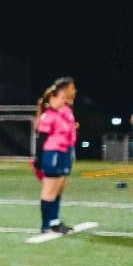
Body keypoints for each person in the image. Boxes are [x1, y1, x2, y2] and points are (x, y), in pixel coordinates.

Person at [33, 77, 79, 233]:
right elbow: (41, 140)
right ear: (52, 98)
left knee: (58, 189)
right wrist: (38, 160)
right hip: (52, 154)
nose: (63, 100)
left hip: (62, 152)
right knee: (49, 191)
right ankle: (46, 225)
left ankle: (54, 221)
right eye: (60, 97)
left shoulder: (61, 113)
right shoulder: (49, 115)